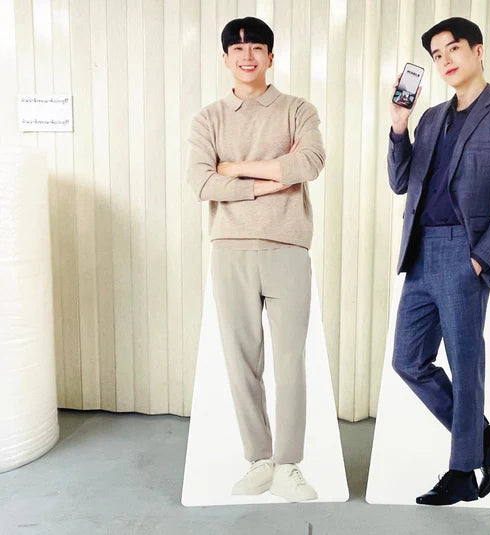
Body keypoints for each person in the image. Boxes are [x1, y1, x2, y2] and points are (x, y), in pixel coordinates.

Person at [387, 17, 490, 505]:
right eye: (436, 55)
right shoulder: (430, 118)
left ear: (478, 51)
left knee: (465, 365)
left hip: (462, 252)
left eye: (453, 49)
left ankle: (461, 471)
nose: (445, 60)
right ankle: (487, 437)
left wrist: (478, 259)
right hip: (420, 251)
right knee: (409, 360)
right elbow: (401, 182)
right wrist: (399, 125)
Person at [185, 17, 325, 502]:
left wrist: (237, 169)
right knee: (241, 361)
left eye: (257, 48)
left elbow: (310, 163)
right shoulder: (208, 118)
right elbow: (201, 182)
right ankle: (259, 460)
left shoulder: (297, 110)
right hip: (230, 249)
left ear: (271, 56)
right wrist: (273, 179)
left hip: (288, 247)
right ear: (225, 58)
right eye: (238, 49)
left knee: (290, 361)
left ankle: (289, 465)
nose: (247, 56)